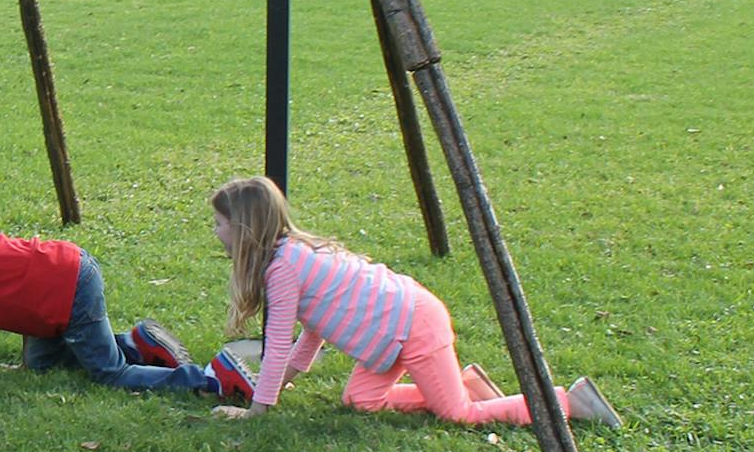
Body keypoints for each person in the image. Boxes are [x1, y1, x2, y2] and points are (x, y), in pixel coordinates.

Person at [206, 174, 622, 427]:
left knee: (458, 415)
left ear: (244, 228)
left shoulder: (283, 269)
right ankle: (465, 386)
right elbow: (314, 328)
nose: (216, 232)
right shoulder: (291, 258)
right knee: (360, 402)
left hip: (413, 326)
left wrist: (257, 410)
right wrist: (280, 384)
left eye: (220, 223)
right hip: (392, 334)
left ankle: (568, 402)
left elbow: (277, 345)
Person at [0, 195, 216, 393]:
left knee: (109, 373)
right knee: (41, 364)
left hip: (70, 285)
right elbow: (19, 288)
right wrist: (25, 360)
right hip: (62, 276)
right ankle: (138, 344)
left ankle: (204, 380)